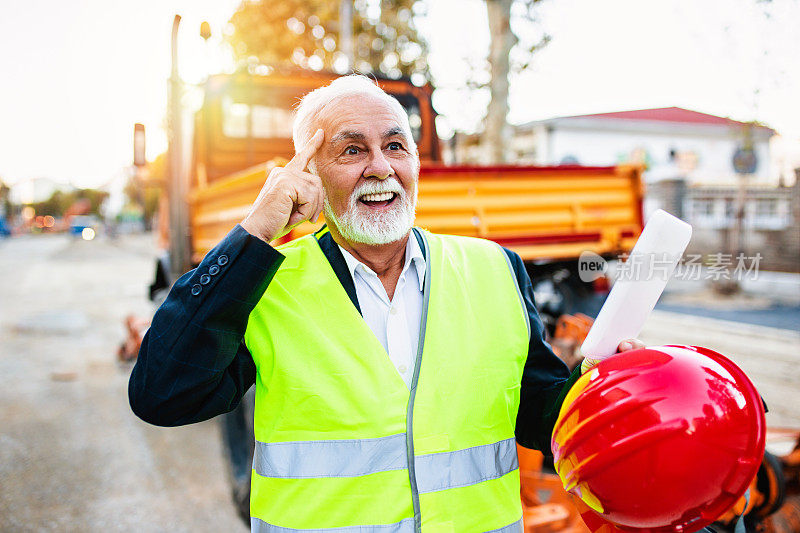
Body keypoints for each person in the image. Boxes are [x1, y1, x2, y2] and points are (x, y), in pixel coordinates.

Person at [129, 75, 643, 532]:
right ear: (310, 172)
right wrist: (257, 230)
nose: (381, 167)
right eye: (352, 151)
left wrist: (599, 389)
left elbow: (535, 412)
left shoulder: (493, 269)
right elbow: (162, 395)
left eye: (396, 146)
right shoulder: (268, 284)